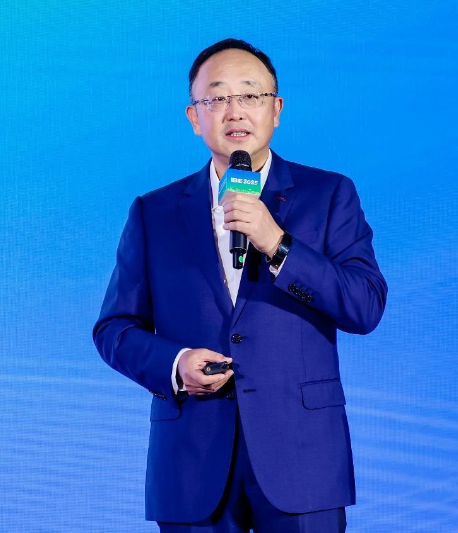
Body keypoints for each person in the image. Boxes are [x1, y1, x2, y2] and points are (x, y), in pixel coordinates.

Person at [93, 38, 387, 533]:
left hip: (303, 456)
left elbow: (365, 305)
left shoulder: (329, 195)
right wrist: (175, 363)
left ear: (276, 109)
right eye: (217, 97)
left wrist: (278, 244)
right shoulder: (153, 212)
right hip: (191, 460)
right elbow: (114, 329)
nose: (235, 111)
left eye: (250, 95)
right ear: (194, 117)